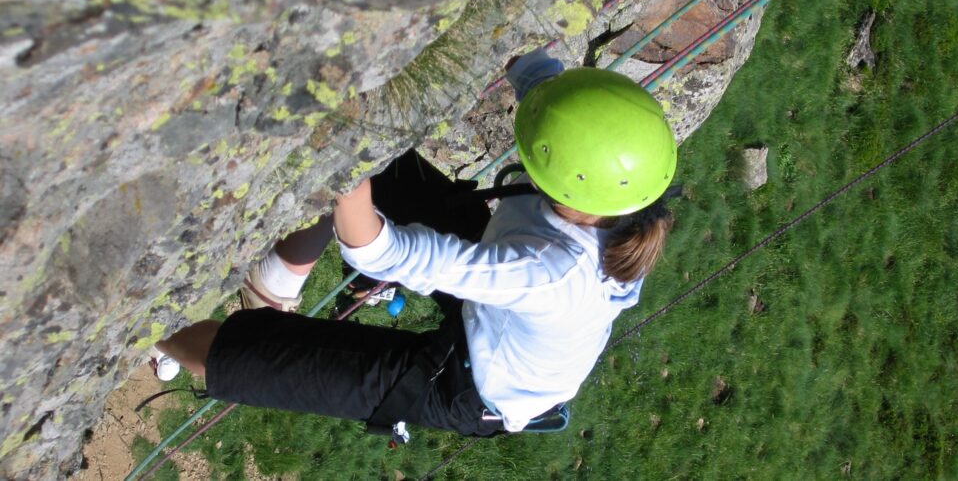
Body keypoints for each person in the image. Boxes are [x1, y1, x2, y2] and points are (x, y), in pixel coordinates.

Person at [152, 49, 677, 436]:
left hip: (473, 387)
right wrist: (520, 58)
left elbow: (381, 252)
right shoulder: (621, 185)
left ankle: (144, 331)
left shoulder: (547, 270)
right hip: (511, 310)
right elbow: (548, 90)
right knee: (384, 159)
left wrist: (346, 164)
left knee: (248, 360)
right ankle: (273, 284)